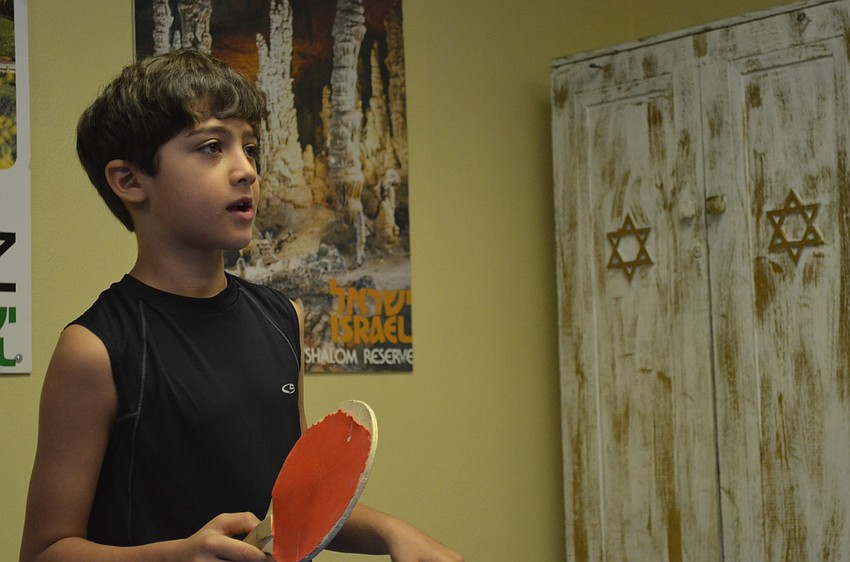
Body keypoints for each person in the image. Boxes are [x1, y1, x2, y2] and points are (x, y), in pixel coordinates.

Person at [19, 49, 463, 562]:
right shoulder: (94, 349)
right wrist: (175, 556)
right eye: (211, 147)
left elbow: (288, 507)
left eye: (249, 148)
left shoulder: (283, 319)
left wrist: (392, 532)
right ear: (130, 181)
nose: (246, 170)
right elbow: (46, 550)